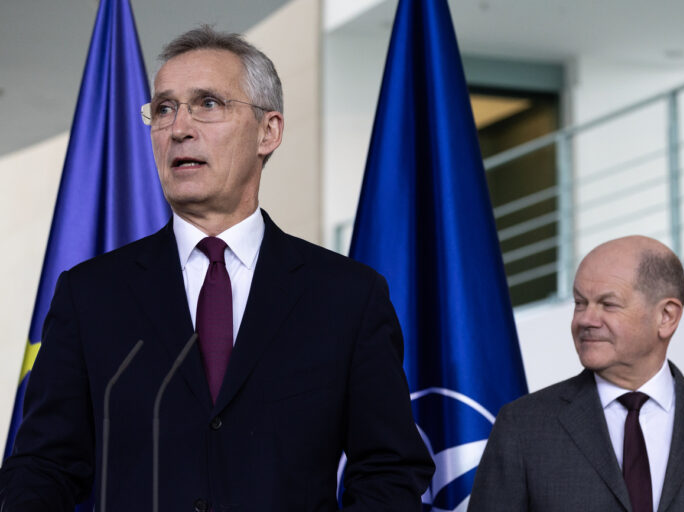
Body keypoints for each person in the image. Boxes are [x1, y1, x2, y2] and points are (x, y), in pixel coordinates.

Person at [0, 26, 434, 511]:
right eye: (164, 109)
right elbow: (43, 467)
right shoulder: (90, 295)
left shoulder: (348, 297)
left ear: (268, 131)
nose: (179, 127)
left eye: (208, 103)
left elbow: (389, 471)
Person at [468, 235, 684, 512]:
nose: (585, 319)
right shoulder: (523, 426)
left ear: (666, 316)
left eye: (608, 304)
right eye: (580, 303)